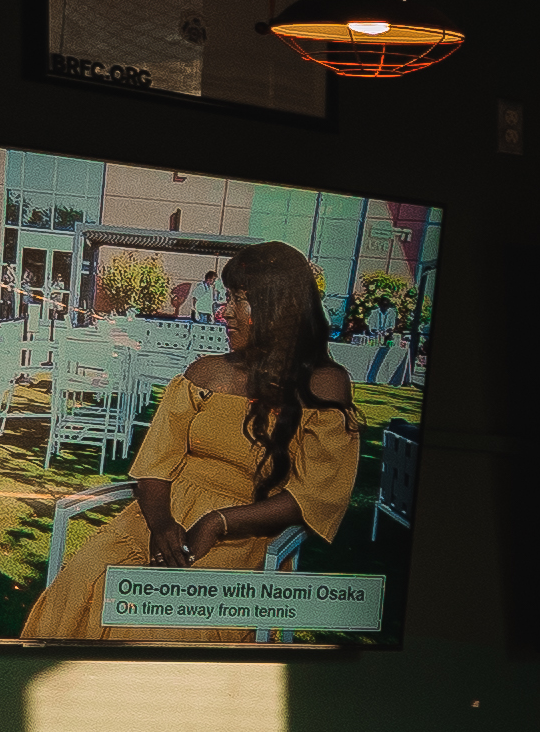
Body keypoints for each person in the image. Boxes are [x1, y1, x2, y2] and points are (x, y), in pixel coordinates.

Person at [22, 238, 362, 644]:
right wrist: (162, 523)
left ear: (280, 309)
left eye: (241, 300)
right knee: (81, 585)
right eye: (227, 298)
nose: (225, 312)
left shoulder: (325, 384)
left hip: (245, 533)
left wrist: (219, 523)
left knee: (161, 627)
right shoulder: (204, 374)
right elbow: (154, 464)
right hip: (161, 517)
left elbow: (311, 496)